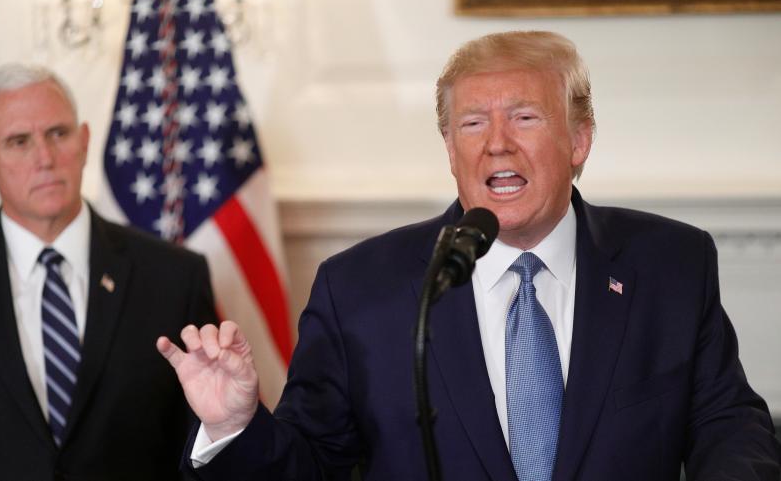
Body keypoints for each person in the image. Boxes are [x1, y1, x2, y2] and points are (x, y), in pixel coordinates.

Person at [158, 31, 781, 480]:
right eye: (472, 125)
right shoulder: (360, 291)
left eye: (525, 117)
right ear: (450, 150)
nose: (497, 146)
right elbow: (310, 467)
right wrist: (235, 426)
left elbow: (728, 423)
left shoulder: (671, 264)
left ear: (580, 140)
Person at [0, 64, 218, 480]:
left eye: (58, 133)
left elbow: (202, 452)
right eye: (19, 142)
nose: (45, 158)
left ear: (85, 140)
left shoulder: (174, 277)